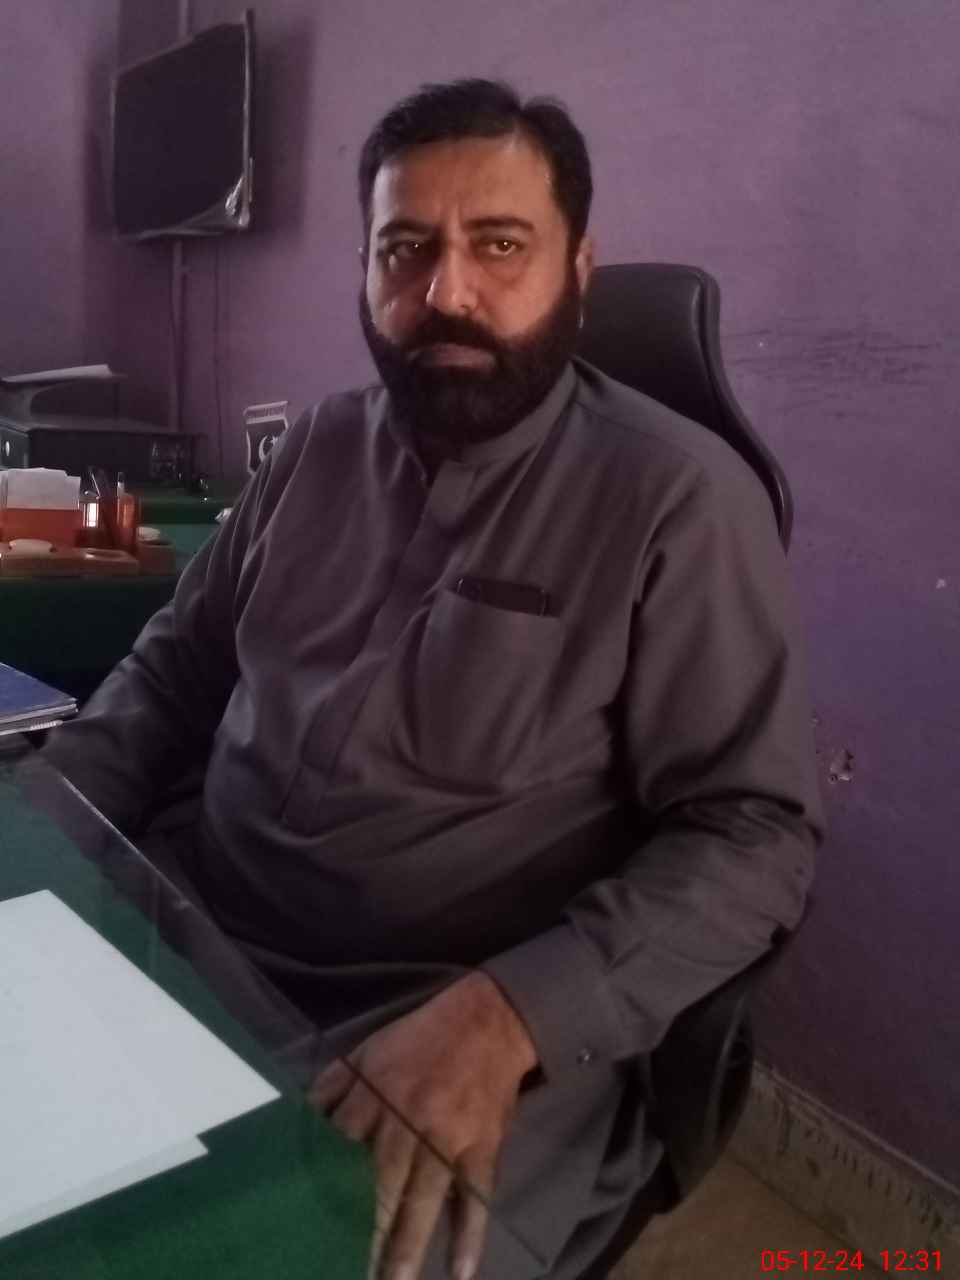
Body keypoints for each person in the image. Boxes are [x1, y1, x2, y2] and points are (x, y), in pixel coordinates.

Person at [43, 79, 823, 1280]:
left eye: (499, 244)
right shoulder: (316, 446)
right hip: (188, 924)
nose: (446, 292)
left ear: (578, 268)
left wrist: (511, 1016)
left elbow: (756, 830)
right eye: (404, 249)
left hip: (439, 1016)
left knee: (240, 1258)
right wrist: (43, 825)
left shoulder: (677, 500)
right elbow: (176, 668)